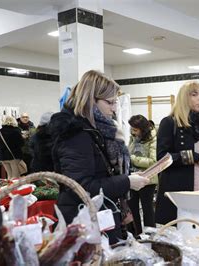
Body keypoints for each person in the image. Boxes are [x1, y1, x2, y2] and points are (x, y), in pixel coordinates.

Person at [48, 70, 142, 244]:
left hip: (99, 217)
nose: (114, 109)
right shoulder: (75, 134)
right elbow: (81, 187)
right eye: (110, 102)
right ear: (92, 99)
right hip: (82, 223)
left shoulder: (99, 130)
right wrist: (127, 182)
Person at [155, 81, 199, 224]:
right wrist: (194, 157)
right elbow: (162, 158)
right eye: (194, 94)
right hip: (181, 194)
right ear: (184, 98)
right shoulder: (169, 123)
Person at [127, 114, 157, 235]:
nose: (132, 132)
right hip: (132, 178)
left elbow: (153, 161)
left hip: (148, 180)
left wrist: (132, 158)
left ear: (142, 129)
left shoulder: (153, 138)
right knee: (132, 209)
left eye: (135, 129)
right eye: (131, 129)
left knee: (147, 210)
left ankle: (151, 238)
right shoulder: (133, 137)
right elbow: (128, 152)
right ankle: (135, 236)